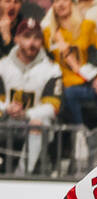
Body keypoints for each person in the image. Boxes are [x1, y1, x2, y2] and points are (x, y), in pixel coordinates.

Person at [0, 17, 62, 173]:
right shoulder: (2, 65)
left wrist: (26, 114)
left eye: (36, 38)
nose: (32, 42)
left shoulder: (52, 69)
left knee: (38, 123)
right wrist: (8, 108)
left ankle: (22, 175)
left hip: (33, 123)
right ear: (17, 39)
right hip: (6, 120)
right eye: (27, 37)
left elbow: (52, 107)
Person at [43, 0, 97, 126]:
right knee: (65, 94)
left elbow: (96, 59)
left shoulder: (88, 26)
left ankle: (80, 132)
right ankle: (79, 133)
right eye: (56, 1)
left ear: (73, 3)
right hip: (62, 84)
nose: (60, 4)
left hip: (88, 83)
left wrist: (94, 79)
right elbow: (47, 62)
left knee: (71, 93)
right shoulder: (49, 33)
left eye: (64, 0)